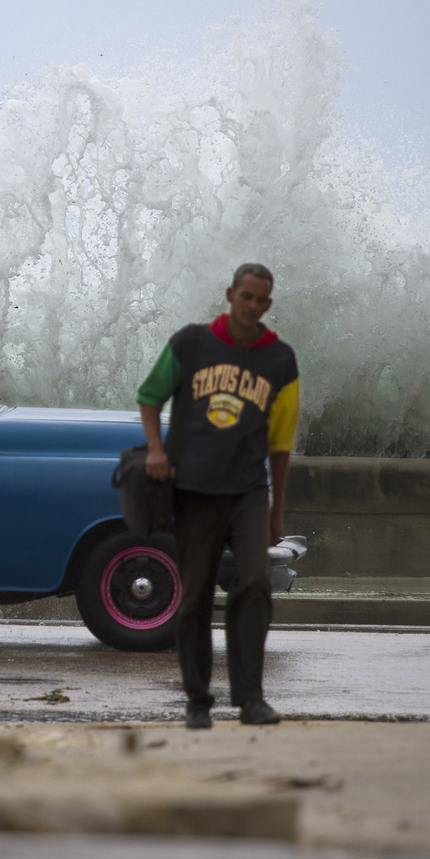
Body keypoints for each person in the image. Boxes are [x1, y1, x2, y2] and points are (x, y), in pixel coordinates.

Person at [135, 263, 300, 729]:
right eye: (245, 296)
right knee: (195, 599)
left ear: (268, 305)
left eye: (261, 300)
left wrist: (276, 509)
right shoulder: (190, 343)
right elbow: (150, 396)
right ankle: (198, 701)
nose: (251, 306)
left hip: (248, 491)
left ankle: (251, 699)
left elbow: (282, 442)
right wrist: (154, 449)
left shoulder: (280, 360)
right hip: (193, 491)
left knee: (253, 584)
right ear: (230, 295)